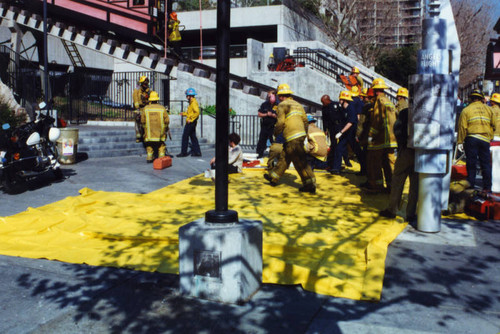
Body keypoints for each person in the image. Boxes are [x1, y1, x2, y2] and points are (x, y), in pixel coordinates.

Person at [264, 83, 316, 193]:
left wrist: (276, 133)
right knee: (285, 156)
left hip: (292, 136)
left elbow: (280, 122)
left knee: (300, 161)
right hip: (300, 135)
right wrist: (304, 133)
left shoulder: (282, 105)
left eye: (279, 96)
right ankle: (273, 177)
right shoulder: (298, 104)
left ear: (281, 96)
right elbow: (305, 121)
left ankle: (310, 184)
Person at [379, 107, 418, 222]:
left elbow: (397, 129)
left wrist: (402, 144)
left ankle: (392, 209)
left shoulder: (406, 112)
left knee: (398, 180)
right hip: (420, 152)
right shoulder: (426, 112)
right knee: (415, 184)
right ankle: (411, 213)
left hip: (406, 150)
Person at [457, 89, 496, 193]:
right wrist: (490, 137)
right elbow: (493, 125)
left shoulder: (466, 110)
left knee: (471, 163)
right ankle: (487, 187)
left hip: (472, 139)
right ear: (481, 98)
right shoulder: (489, 110)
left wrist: (460, 141)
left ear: (471, 98)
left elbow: (462, 127)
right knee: (486, 164)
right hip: (485, 140)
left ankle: (471, 186)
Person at [363, 78, 397, 193]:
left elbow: (377, 120)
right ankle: (392, 186)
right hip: (391, 139)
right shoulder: (389, 101)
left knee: (374, 162)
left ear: (375, 91)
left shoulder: (379, 101)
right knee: (389, 163)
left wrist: (371, 136)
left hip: (380, 138)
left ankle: (376, 186)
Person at [329, 90, 356, 175]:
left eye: (341, 99)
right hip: (346, 133)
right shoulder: (343, 109)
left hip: (351, 133)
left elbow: (350, 123)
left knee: (357, 150)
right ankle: (336, 168)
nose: (339, 101)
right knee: (339, 148)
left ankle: (364, 169)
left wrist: (341, 132)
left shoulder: (350, 109)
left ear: (344, 100)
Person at [140, 91, 169, 163]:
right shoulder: (162, 108)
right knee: (161, 144)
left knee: (149, 144)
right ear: (157, 99)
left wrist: (145, 129)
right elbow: (167, 120)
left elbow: (142, 121)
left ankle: (149, 157)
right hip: (160, 132)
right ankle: (161, 157)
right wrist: (165, 128)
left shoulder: (146, 108)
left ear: (150, 100)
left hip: (149, 132)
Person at [177, 87, 202, 157]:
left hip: (190, 123)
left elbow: (197, 113)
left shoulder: (193, 103)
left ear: (190, 96)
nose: (186, 97)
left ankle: (183, 153)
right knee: (193, 137)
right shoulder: (191, 102)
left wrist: (190, 120)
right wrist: (184, 114)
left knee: (185, 137)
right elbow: (190, 113)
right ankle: (197, 152)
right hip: (192, 122)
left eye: (187, 95)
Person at [256, 90, 278, 158]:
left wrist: (274, 116)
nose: (269, 97)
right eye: (269, 96)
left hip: (273, 126)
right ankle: (260, 153)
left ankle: (276, 154)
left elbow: (281, 116)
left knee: (274, 141)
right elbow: (259, 114)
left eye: (271, 95)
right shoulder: (264, 104)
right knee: (262, 140)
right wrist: (266, 114)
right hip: (265, 125)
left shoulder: (278, 105)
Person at [132, 76, 150, 142]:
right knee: (138, 123)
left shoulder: (147, 90)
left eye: (147, 83)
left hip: (145, 108)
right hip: (138, 109)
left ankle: (144, 136)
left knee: (145, 123)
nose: (146, 85)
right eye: (144, 83)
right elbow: (135, 100)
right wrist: (138, 109)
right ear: (141, 83)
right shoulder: (137, 90)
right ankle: (138, 137)